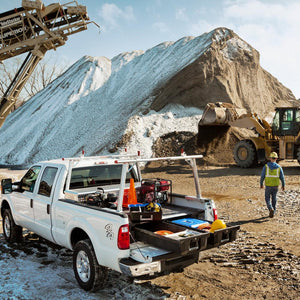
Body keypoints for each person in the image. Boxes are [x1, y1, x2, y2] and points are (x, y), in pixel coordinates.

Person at [260, 152, 285, 218]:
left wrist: (261, 183)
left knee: (267, 198)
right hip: (275, 186)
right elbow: (282, 177)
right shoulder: (279, 167)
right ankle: (273, 211)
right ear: (276, 158)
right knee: (274, 198)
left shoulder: (266, 166)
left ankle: (270, 208)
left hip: (268, 185)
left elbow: (262, 176)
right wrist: (283, 185)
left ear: (270, 158)